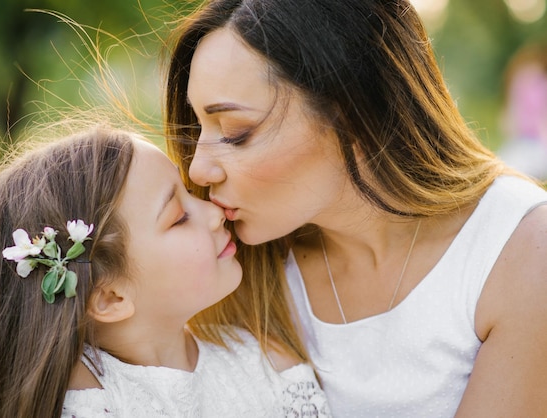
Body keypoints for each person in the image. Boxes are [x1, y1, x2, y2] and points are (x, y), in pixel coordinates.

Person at [163, 0, 547, 416]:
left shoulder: (520, 250)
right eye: (197, 129)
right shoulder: (238, 270)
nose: (198, 170)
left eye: (237, 133)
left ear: (351, 114)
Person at [0, 125, 331, 417]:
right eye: (179, 218)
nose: (214, 213)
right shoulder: (92, 400)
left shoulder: (266, 364)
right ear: (109, 297)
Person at [497, 41, 547, 181]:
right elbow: (509, 120)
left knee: (514, 170)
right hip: (521, 142)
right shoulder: (519, 84)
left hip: (537, 144)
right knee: (502, 168)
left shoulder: (542, 86)